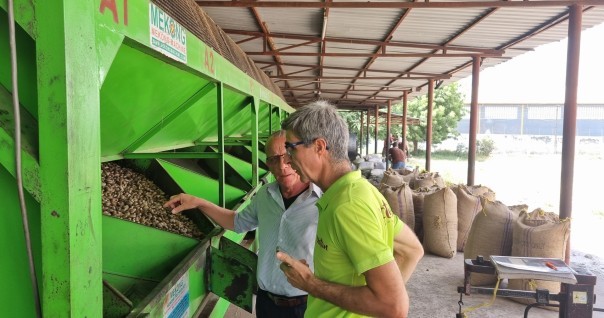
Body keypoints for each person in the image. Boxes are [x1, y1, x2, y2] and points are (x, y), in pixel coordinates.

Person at [277, 100, 424, 317]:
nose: (287, 160)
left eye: (291, 148)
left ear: (319, 147)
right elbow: (411, 250)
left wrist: (310, 283)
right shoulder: (361, 190)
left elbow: (394, 306)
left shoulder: (348, 206)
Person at [164, 130, 322, 318]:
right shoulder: (265, 195)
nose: (281, 165)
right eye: (273, 159)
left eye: (286, 155)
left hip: (306, 305)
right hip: (266, 303)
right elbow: (237, 222)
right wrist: (199, 203)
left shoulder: (323, 201)